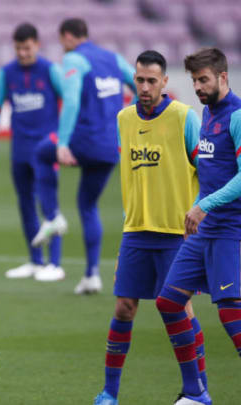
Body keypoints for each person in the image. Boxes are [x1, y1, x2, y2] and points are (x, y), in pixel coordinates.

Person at [155, 48, 241, 405]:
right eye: (194, 80)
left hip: (234, 229)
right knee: (168, 301)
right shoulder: (207, 113)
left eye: (203, 79)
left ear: (223, 77)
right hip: (204, 230)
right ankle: (195, 392)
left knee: (230, 313)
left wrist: (203, 206)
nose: (197, 86)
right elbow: (207, 170)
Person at [93, 51, 205, 405]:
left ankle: (197, 391)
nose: (144, 86)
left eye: (151, 81)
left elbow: (210, 172)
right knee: (124, 307)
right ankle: (110, 392)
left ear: (165, 82)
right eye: (139, 80)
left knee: (179, 309)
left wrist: (202, 212)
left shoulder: (185, 118)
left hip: (176, 234)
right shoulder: (124, 119)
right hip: (136, 232)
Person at [33, 17, 136, 287]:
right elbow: (140, 87)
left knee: (42, 153)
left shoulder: (75, 60)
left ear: (67, 36)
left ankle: (53, 216)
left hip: (84, 140)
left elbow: (71, 99)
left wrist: (64, 142)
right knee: (88, 205)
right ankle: (91, 275)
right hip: (110, 145)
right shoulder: (114, 58)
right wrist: (129, 118)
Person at [0, 22, 65, 281]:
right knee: (26, 204)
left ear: (37, 45)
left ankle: (56, 263)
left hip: (46, 148)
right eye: (18, 48)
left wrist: (62, 138)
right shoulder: (7, 73)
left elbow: (70, 103)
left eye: (27, 48)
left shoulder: (50, 70)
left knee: (49, 204)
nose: (23, 53)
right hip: (20, 148)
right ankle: (36, 260)